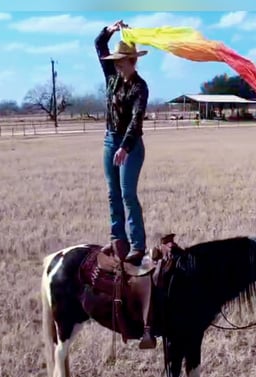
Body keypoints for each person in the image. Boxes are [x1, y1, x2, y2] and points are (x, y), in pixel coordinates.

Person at [95, 19, 150, 266]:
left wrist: (125, 148)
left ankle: (137, 246)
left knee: (127, 193)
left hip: (131, 145)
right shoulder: (112, 79)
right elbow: (99, 45)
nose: (117, 64)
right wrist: (110, 30)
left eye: (121, 60)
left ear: (133, 61)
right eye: (115, 60)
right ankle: (118, 240)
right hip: (110, 140)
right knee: (112, 194)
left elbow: (136, 121)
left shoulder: (140, 87)